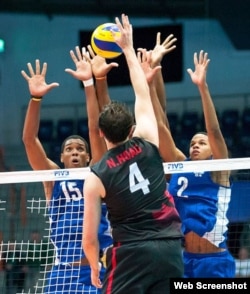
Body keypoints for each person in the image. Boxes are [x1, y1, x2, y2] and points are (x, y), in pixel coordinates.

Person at [83, 14, 184, 293]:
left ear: (101, 134)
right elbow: (142, 93)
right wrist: (127, 47)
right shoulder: (147, 140)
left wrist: (94, 265)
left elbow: (89, 240)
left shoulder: (96, 176)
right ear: (131, 128)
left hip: (130, 254)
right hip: (170, 248)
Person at [21, 46, 113, 293]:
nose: (75, 152)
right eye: (69, 149)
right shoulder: (52, 178)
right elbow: (29, 140)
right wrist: (36, 99)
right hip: (61, 274)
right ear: (61, 157)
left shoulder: (98, 172)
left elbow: (95, 129)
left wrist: (88, 84)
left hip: (96, 271)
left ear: (88, 155)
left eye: (80, 149)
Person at [159, 50, 236, 277]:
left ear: (213, 149)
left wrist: (202, 87)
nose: (195, 145)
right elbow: (161, 125)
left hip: (215, 262)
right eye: (193, 142)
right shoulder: (180, 166)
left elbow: (214, 131)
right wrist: (152, 77)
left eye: (202, 143)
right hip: (186, 261)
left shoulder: (218, 170)